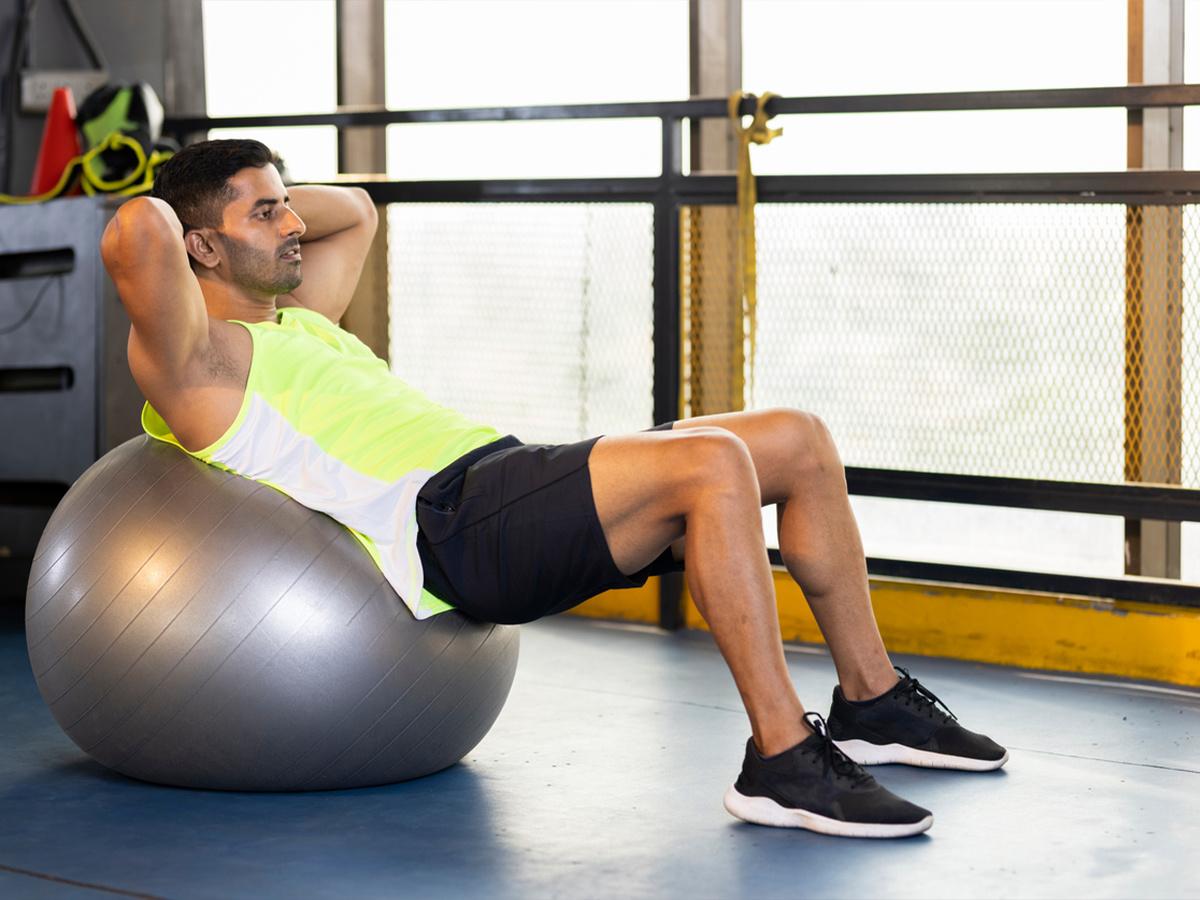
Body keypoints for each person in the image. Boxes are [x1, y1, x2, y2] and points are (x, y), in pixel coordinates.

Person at [100, 138, 1006, 840]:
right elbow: (133, 231)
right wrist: (185, 192)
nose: (296, 225)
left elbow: (359, 212)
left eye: (289, 208)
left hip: (504, 473)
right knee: (714, 461)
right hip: (450, 526)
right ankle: (780, 758)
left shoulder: (301, 320)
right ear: (202, 247)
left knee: (796, 440)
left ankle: (873, 702)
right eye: (267, 215)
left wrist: (264, 195)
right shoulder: (199, 367)